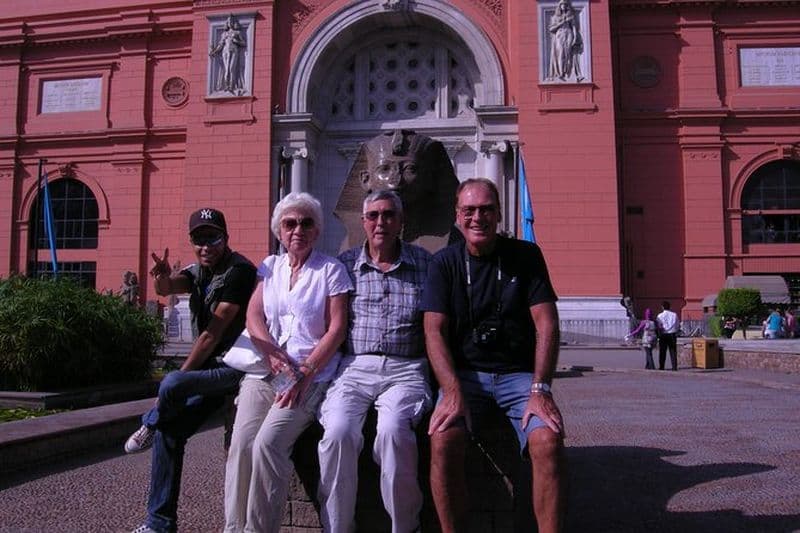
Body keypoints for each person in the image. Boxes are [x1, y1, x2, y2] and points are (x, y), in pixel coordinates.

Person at [421, 178, 565, 533]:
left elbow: (546, 324)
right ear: (457, 216)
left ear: (499, 214)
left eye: (486, 209)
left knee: (547, 441)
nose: (477, 218)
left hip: (518, 377)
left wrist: (540, 389)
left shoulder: (526, 256)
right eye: (469, 210)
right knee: (442, 440)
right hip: (465, 376)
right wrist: (451, 389)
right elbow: (433, 330)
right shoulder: (444, 264)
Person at [223, 192, 352, 533]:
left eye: (306, 223)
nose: (298, 229)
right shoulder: (270, 266)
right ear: (279, 231)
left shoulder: (331, 270)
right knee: (242, 444)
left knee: (269, 443)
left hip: (311, 373)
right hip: (267, 370)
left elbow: (337, 329)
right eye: (290, 223)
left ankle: (259, 530)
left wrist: (305, 372)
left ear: (317, 230)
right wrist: (271, 355)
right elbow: (253, 315)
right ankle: (234, 528)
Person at [126, 208, 257, 533]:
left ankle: (150, 420)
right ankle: (159, 524)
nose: (205, 246)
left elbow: (212, 333)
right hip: (210, 371)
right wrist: (160, 277)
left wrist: (181, 378)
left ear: (226, 239)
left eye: (212, 237)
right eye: (199, 239)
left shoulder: (239, 272)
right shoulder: (199, 271)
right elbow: (169, 287)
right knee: (171, 434)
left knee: (171, 383)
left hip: (235, 368)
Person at [317, 190, 433, 533]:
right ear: (363, 222)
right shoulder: (344, 265)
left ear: (400, 221)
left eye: (388, 215)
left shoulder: (425, 263)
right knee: (337, 432)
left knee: (393, 432)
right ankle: (338, 527)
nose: (380, 222)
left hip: (405, 369)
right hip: (353, 367)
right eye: (373, 216)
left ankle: (404, 527)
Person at [209, 14, 246, 93]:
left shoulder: (237, 32)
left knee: (231, 68)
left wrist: (237, 41)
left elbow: (243, 43)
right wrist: (214, 51)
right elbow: (220, 45)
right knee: (226, 69)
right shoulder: (224, 34)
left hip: (234, 50)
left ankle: (231, 86)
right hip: (225, 51)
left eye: (231, 21)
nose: (230, 23)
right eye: (228, 21)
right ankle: (226, 86)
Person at [548, 0, 583, 81]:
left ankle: (568, 73)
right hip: (559, 35)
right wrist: (561, 23)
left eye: (565, 4)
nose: (563, 6)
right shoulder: (555, 17)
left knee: (568, 54)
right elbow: (551, 29)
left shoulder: (570, 15)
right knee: (560, 54)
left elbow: (574, 27)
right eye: (562, 4)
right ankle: (560, 73)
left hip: (569, 34)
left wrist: (575, 37)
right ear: (559, 6)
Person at [656, 301, 679, 371]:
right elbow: (677, 325)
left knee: (662, 351)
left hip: (663, 334)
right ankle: (674, 367)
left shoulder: (659, 316)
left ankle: (662, 366)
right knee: (673, 351)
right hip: (672, 334)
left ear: (662, 307)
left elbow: (659, 326)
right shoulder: (674, 315)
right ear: (670, 307)